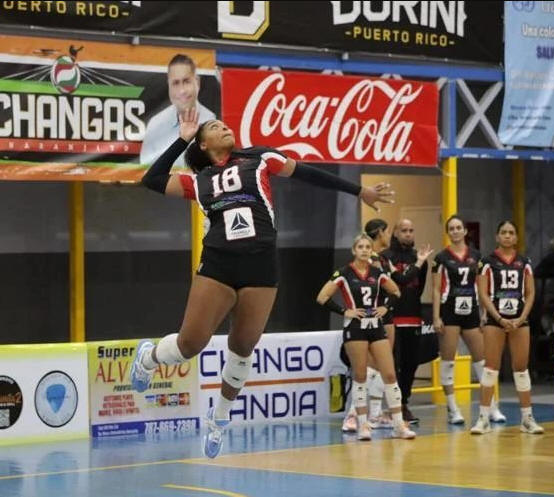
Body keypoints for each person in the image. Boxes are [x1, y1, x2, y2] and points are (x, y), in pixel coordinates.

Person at [130, 109, 394, 458]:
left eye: (224, 124)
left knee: (243, 346)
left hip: (261, 264)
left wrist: (359, 191)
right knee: (190, 344)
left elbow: (308, 173)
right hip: (219, 263)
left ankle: (219, 418)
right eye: (215, 127)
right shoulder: (198, 181)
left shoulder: (260, 158)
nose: (225, 127)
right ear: (203, 144)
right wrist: (182, 139)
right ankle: (148, 359)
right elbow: (151, 179)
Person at [317, 234, 415, 440]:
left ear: (371, 251)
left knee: (390, 374)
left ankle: (399, 425)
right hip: (355, 328)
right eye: (360, 247)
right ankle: (363, 425)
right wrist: (345, 311)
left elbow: (396, 291)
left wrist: (385, 307)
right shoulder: (344, 273)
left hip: (376, 326)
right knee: (360, 375)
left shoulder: (378, 273)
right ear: (354, 250)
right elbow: (322, 297)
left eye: (367, 247)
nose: (364, 250)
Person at [432, 215, 507, 425]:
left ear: (465, 231)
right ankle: (453, 409)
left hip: (472, 312)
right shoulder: (441, 258)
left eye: (459, 228)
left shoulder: (477, 256)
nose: (455, 231)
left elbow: (482, 288)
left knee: (482, 361)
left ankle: (491, 407)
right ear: (448, 233)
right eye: (451, 228)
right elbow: (436, 289)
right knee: (448, 361)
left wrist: (484, 313)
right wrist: (436, 317)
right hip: (450, 312)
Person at [471, 221, 544, 435]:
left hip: (519, 320)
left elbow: (530, 292)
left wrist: (522, 317)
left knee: (521, 368)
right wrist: (498, 317)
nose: (507, 236)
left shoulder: (525, 262)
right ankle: (483, 418)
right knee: (490, 368)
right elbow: (483, 293)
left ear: (516, 237)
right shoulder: (487, 262)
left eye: (511, 232)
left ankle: (527, 419)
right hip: (496, 320)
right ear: (497, 236)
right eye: (503, 232)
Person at [341, 219, 396, 432]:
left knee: (384, 367)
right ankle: (354, 413)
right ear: (380, 233)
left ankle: (375, 413)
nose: (389, 236)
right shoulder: (370, 260)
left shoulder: (383, 258)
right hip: (370, 317)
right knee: (368, 368)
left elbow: (396, 285)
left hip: (383, 314)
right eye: (388, 232)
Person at [381, 219, 433, 424]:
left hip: (413, 317)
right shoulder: (385, 257)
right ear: (395, 233)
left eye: (411, 230)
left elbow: (418, 287)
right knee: (393, 364)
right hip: (392, 318)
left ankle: (404, 402)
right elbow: (396, 284)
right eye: (404, 230)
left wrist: (416, 265)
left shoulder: (419, 258)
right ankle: (392, 405)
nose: (408, 234)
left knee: (411, 363)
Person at [139, 54, 216, 166]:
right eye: (175, 83)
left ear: (197, 82)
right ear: (169, 86)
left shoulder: (212, 121)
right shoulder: (155, 124)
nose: (182, 91)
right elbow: (145, 170)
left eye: (186, 81)